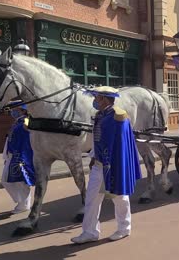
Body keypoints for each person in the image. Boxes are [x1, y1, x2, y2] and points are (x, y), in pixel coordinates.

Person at [71, 86, 142, 244]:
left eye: (97, 98)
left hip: (114, 165)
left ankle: (124, 228)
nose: (95, 100)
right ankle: (90, 232)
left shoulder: (118, 116)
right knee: (91, 199)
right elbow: (98, 141)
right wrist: (92, 157)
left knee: (119, 197)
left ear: (104, 99)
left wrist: (116, 164)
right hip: (98, 165)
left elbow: (121, 144)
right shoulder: (100, 115)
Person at [1, 102, 35, 214]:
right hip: (13, 154)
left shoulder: (26, 120)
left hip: (21, 155)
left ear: (24, 110)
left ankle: (23, 204)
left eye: (16, 109)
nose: (13, 112)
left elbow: (28, 128)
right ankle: (23, 203)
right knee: (10, 180)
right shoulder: (17, 122)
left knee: (21, 181)